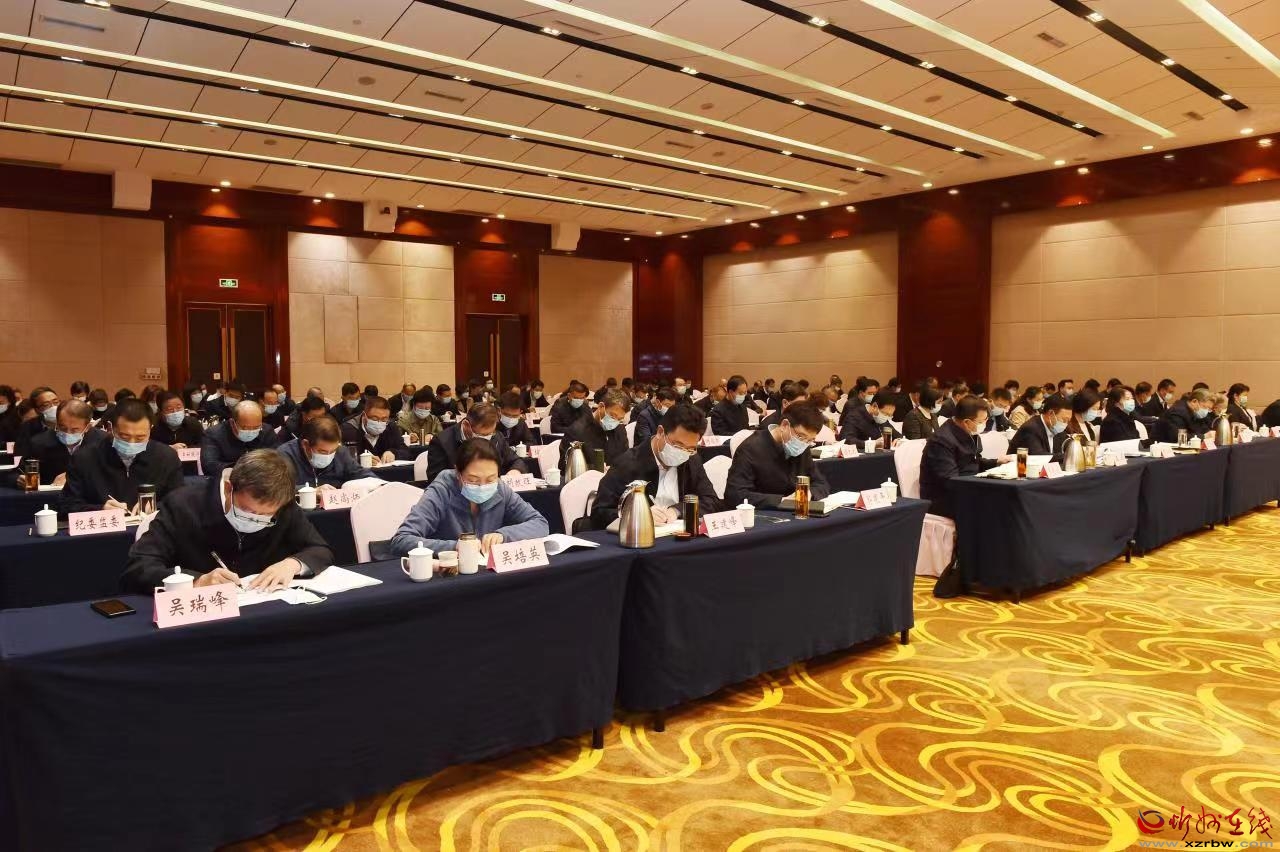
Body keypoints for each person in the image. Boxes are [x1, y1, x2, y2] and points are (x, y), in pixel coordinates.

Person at [121, 450, 333, 593]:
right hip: (201, 617)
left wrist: (292, 564)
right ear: (229, 488)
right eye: (247, 510)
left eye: (265, 515)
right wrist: (197, 581)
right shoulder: (183, 505)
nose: (254, 519)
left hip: (260, 606)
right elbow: (139, 567)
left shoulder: (284, 506)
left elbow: (320, 549)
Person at [390, 438, 549, 559]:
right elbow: (402, 540)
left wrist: (503, 535)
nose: (482, 486)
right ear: (458, 473)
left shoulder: (500, 488)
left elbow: (540, 523)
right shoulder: (442, 490)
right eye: (473, 480)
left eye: (490, 479)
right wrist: (455, 547)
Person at [588, 402, 722, 530]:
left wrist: (677, 510)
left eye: (690, 448)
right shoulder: (627, 463)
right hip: (639, 538)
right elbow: (600, 513)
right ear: (660, 432)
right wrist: (638, 515)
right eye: (678, 445)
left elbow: (711, 500)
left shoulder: (691, 459)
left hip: (679, 535)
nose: (683, 453)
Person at [63, 399, 184, 513]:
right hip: (105, 526)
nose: (131, 443)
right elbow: (67, 504)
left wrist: (156, 507)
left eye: (140, 437)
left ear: (150, 429)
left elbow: (179, 501)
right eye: (124, 436)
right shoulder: (84, 458)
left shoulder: (166, 457)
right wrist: (100, 509)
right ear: (111, 428)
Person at [726, 401, 830, 508]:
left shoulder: (803, 446)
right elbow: (735, 495)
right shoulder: (750, 448)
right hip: (762, 513)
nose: (804, 443)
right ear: (784, 425)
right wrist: (782, 501)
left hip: (795, 511)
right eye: (800, 436)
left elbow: (821, 483)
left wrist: (809, 494)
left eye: (810, 440)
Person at [919, 396, 1002, 519]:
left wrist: (997, 462)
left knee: (1004, 497)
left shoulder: (970, 432)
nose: (984, 424)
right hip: (943, 499)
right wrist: (982, 487)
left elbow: (973, 462)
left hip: (966, 489)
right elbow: (950, 480)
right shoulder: (941, 441)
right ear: (967, 422)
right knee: (995, 503)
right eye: (981, 421)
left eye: (986, 420)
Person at [8, 399, 105, 487]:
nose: (68, 433)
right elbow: (14, 474)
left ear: (87, 427)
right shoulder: (39, 442)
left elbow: (110, 473)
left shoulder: (103, 442)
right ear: (56, 423)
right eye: (62, 427)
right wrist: (18, 479)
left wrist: (74, 476)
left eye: (74, 430)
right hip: (51, 497)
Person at [424, 403, 529, 482]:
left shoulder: (497, 436)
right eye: (482, 435)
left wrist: (515, 471)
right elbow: (436, 479)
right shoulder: (442, 442)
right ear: (466, 425)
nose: (487, 439)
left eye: (490, 434)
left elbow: (516, 461)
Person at [278, 415, 376, 490]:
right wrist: (311, 491)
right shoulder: (285, 455)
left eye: (333, 451)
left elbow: (364, 475)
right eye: (323, 451)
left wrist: (378, 485)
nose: (329, 456)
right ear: (305, 444)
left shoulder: (341, 452)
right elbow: (277, 489)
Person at [200, 399, 279, 479]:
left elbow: (276, 459)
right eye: (245, 428)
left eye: (256, 427)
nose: (251, 431)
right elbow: (209, 465)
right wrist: (245, 469)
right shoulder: (213, 434)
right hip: (227, 479)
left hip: (261, 479)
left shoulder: (267, 431)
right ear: (232, 423)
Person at [559, 390, 630, 474]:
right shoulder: (576, 431)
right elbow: (564, 467)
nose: (615, 421)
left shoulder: (620, 430)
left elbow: (626, 460)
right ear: (601, 407)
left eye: (619, 419)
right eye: (612, 416)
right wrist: (595, 469)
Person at [339, 396, 406, 464]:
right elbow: (339, 457)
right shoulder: (347, 430)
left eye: (384, 419)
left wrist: (394, 453)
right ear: (364, 416)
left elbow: (406, 451)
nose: (379, 422)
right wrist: (361, 459)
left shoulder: (391, 427)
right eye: (375, 418)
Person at [1007, 394, 1072, 460]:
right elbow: (1038, 456)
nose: (1065, 424)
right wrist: (1068, 456)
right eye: (1064, 420)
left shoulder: (1056, 429)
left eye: (1068, 421)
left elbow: (1065, 446)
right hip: (1019, 465)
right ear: (1050, 414)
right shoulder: (1031, 428)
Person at [17, 386, 59, 452]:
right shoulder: (27, 427)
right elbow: (21, 452)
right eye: (46, 405)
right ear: (37, 410)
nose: (53, 407)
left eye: (56, 402)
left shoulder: (70, 423)